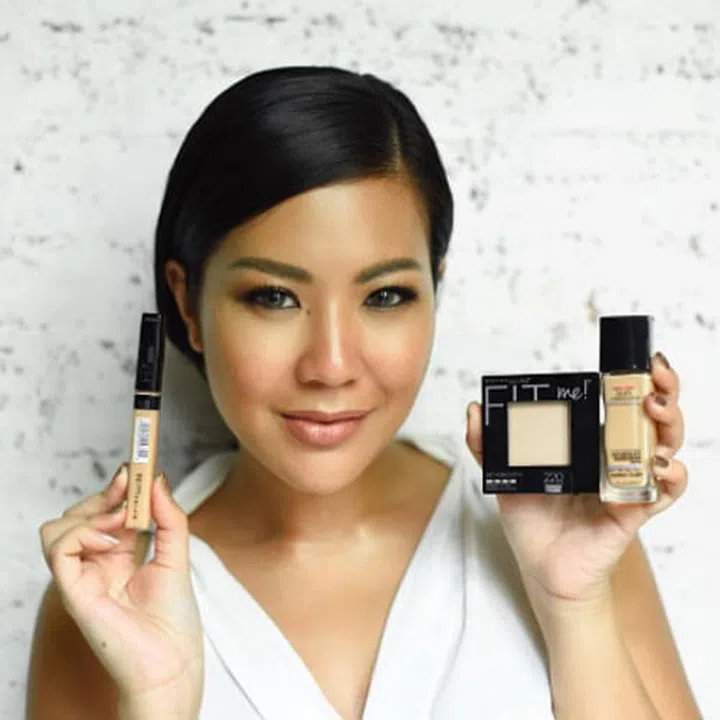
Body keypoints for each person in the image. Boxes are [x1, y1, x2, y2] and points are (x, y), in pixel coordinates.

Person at [26, 66, 700, 720]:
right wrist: (158, 706)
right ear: (188, 304)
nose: (331, 365)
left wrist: (574, 605)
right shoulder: (109, 597)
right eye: (274, 297)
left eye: (385, 296)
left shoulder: (570, 536)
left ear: (435, 288)